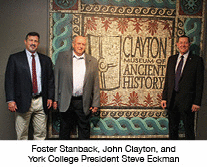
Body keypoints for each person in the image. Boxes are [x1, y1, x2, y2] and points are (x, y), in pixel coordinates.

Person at [5, 32, 55, 140]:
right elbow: (9, 80)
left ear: (38, 43)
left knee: (40, 133)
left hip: (41, 101)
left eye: (35, 41)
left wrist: (50, 97)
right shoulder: (15, 58)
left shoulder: (46, 60)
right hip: (21, 101)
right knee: (22, 134)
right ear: (25, 42)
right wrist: (10, 100)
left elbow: (50, 80)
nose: (33, 43)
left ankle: (36, 156)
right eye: (31, 40)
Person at [53, 36, 100, 140]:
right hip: (66, 100)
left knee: (84, 130)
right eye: (78, 43)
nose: (81, 46)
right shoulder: (62, 57)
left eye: (83, 44)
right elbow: (56, 79)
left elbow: (96, 84)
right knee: (65, 130)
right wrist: (55, 99)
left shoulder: (93, 61)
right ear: (73, 44)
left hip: (83, 101)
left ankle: (82, 154)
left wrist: (95, 103)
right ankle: (63, 155)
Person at [161, 35, 204, 140]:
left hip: (188, 102)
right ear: (177, 45)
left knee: (188, 130)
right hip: (172, 100)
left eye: (185, 43)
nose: (183, 45)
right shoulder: (171, 59)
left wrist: (197, 102)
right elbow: (168, 80)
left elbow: (199, 83)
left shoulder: (197, 60)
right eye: (181, 43)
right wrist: (164, 97)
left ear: (189, 45)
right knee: (173, 129)